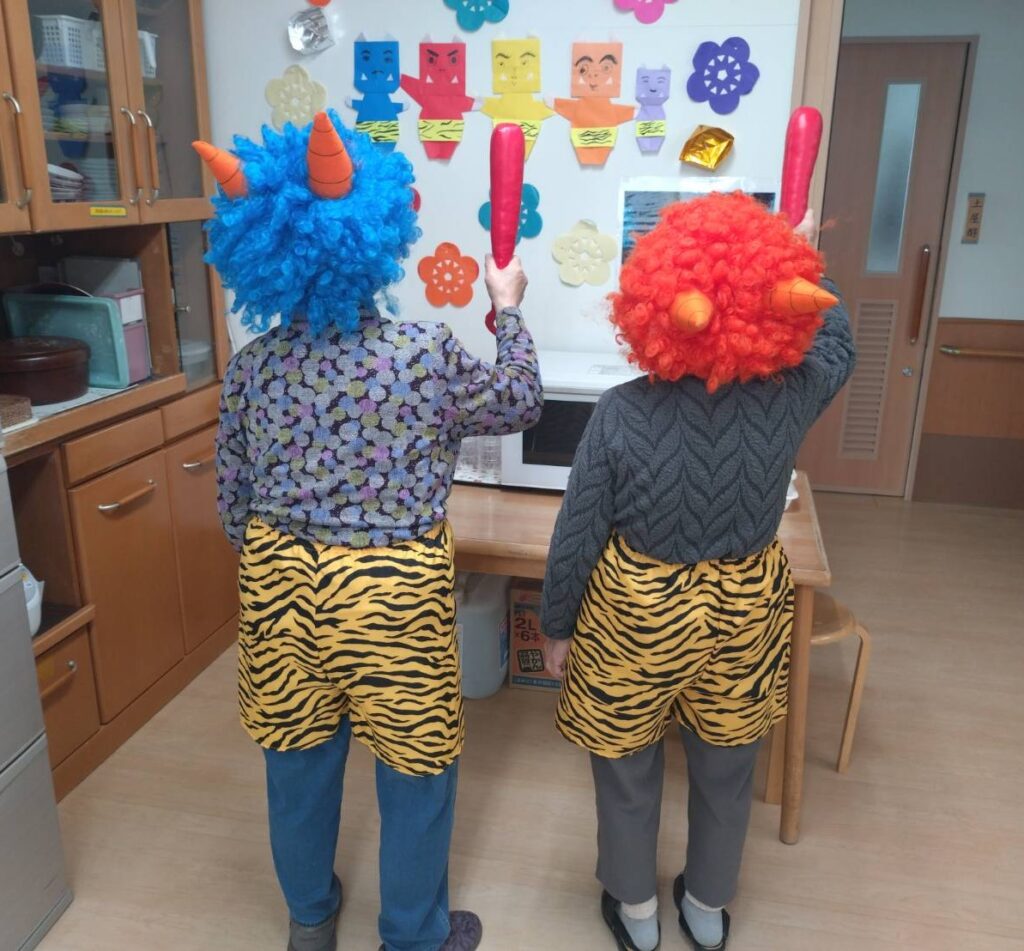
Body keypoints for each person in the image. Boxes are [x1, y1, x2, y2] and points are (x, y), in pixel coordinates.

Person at [195, 111, 542, 951]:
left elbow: (232, 500)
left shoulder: (252, 365)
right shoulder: (423, 352)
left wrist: (288, 557)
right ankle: (413, 935)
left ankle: (311, 920)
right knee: (415, 766)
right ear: (376, 233)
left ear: (262, 251)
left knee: (296, 762)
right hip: (394, 592)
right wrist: (506, 308)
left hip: (281, 584)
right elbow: (520, 399)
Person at [540, 192, 856, 951]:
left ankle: (637, 914)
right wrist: (802, 254)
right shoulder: (788, 396)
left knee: (625, 761)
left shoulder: (621, 410)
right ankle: (707, 909)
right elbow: (839, 341)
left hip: (636, 610)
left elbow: (578, 530)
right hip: (744, 606)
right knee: (727, 760)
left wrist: (556, 624)